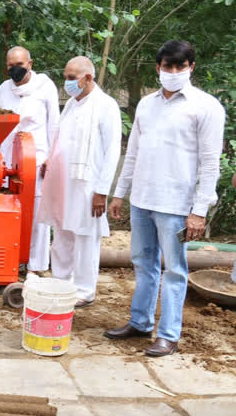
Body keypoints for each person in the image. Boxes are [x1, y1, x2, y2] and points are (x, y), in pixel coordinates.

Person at [104, 40, 225, 356]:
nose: (173, 72)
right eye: (167, 66)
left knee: (174, 269)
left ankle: (168, 335)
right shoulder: (146, 105)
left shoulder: (206, 107)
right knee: (143, 263)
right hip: (143, 199)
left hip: (176, 204)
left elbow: (211, 163)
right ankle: (140, 322)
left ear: (191, 68)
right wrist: (120, 194)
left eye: (180, 66)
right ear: (157, 68)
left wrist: (199, 211)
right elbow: (132, 153)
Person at [38, 56, 121, 307]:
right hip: (63, 182)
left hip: (88, 185)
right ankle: (61, 282)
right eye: (65, 77)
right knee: (62, 232)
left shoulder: (106, 105)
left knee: (85, 236)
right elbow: (63, 141)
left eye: (72, 78)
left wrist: (101, 192)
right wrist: (49, 160)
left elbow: (112, 150)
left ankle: (84, 290)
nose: (67, 83)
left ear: (88, 78)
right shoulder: (72, 105)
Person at [0, 46, 60, 278]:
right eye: (11, 66)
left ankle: (35, 265)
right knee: (10, 209)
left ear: (30, 64)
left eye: (20, 65)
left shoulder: (45, 86)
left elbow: (54, 124)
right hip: (9, 158)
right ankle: (10, 261)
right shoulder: (3, 89)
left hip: (37, 158)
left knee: (38, 213)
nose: (16, 69)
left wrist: (52, 158)